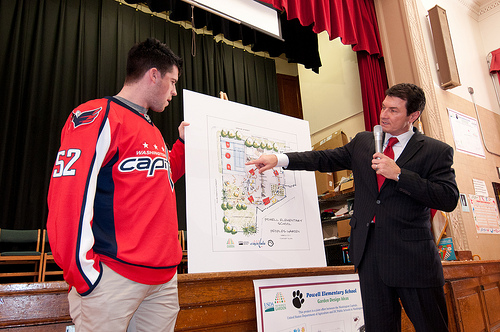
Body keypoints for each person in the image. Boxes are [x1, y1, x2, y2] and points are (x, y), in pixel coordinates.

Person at [246, 83, 459, 331]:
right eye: (383, 107)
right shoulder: (364, 142)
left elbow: (448, 197)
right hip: (370, 258)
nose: (383, 115)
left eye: (393, 110)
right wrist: (280, 159)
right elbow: (323, 158)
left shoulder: (435, 151)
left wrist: (400, 174)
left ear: (413, 116)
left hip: (413, 261)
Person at [47, 38, 188, 332]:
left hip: (163, 281)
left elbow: (158, 182)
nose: (175, 91)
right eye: (173, 82)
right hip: (113, 278)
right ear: (153, 75)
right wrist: (85, 275)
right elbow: (69, 196)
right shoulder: (98, 116)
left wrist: (183, 145)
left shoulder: (151, 128)